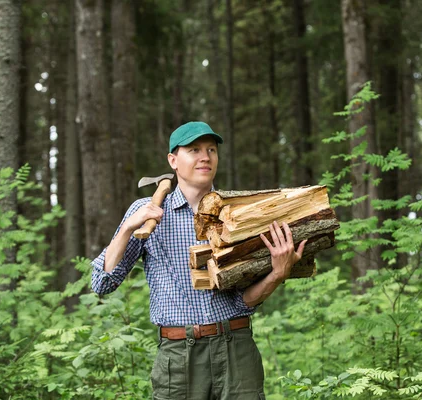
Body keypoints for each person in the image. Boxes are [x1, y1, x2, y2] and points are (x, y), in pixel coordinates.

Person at [91, 121, 306, 399]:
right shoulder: (148, 213)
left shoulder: (236, 212)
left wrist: (277, 274)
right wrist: (128, 228)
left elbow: (244, 301)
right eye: (194, 150)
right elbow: (102, 283)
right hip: (179, 357)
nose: (205, 157)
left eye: (211, 150)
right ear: (173, 160)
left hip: (236, 351)